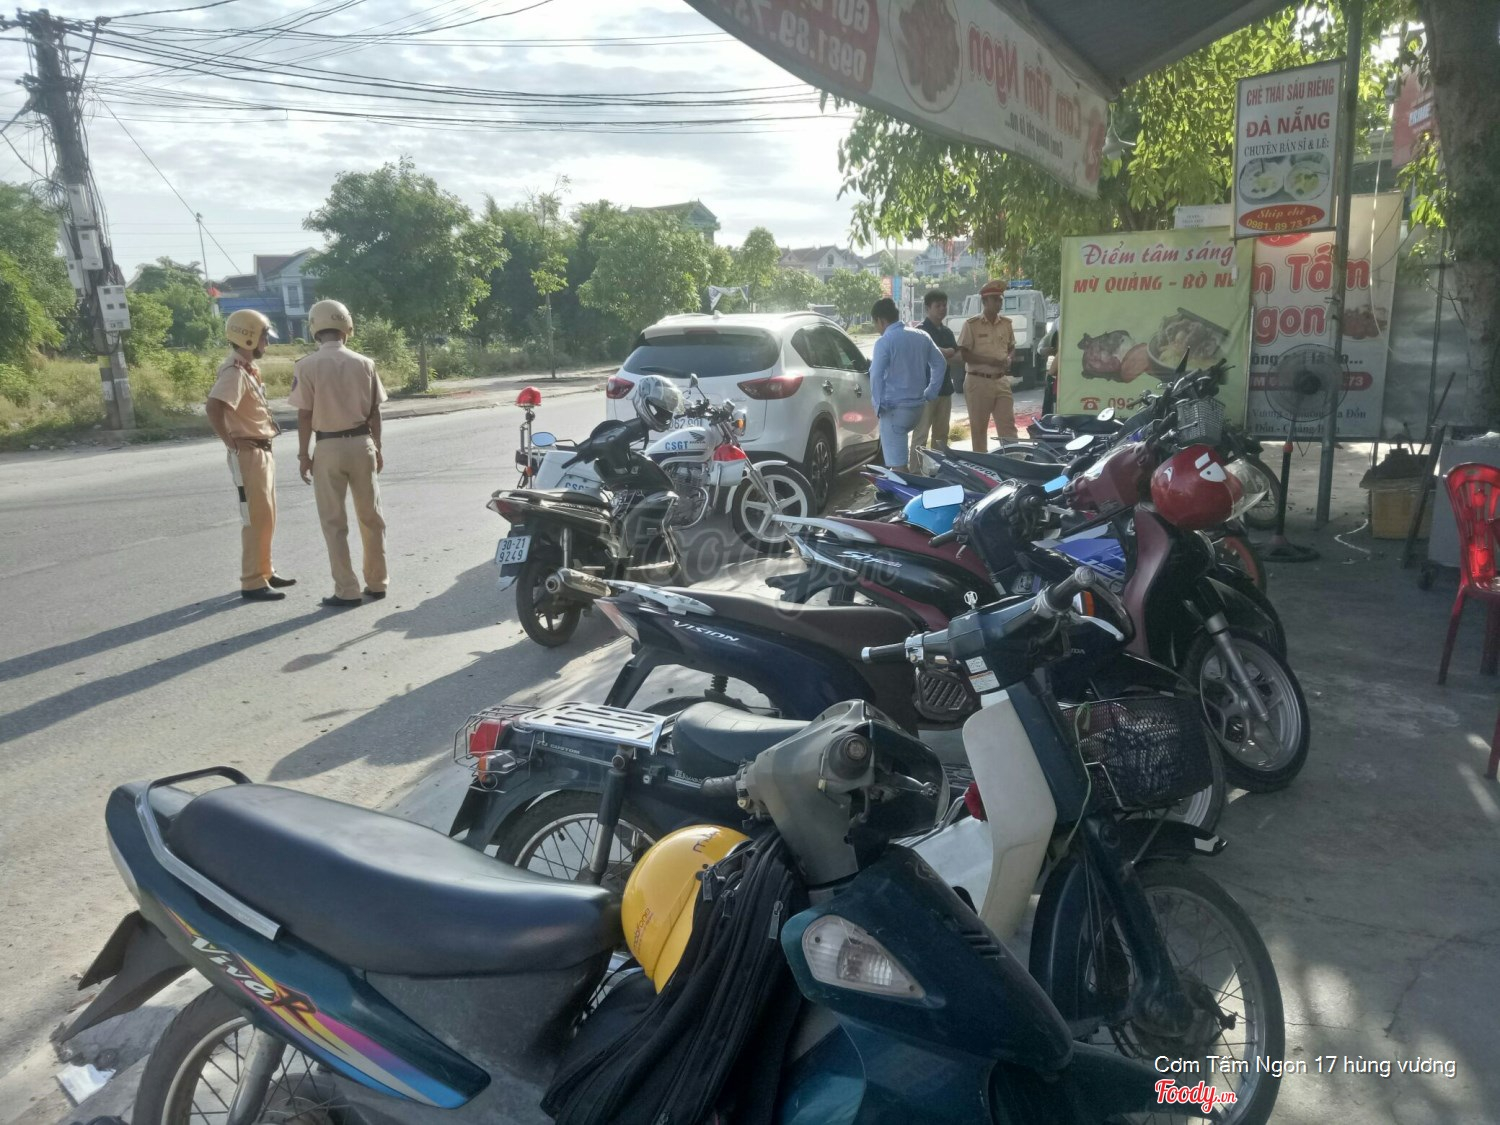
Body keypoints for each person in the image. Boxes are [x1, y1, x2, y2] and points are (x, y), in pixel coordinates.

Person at [288, 299, 389, 609]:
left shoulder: (306, 366)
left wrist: (303, 455)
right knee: (371, 517)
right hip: (362, 444)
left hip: (328, 447)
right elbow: (375, 412)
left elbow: (304, 415)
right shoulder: (365, 363)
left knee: (334, 523)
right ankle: (378, 582)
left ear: (315, 329)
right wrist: (378, 447)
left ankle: (347, 590)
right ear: (347, 327)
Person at [206, 309, 295, 602]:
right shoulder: (234, 371)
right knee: (255, 518)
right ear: (248, 338)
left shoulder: (247, 369)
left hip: (260, 448)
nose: (267, 343)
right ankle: (252, 581)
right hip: (247, 451)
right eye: (264, 337)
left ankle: (265, 571)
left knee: (267, 516)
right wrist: (230, 443)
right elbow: (214, 407)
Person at [867, 296, 945, 470]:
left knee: (898, 467)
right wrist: (930, 392)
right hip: (917, 408)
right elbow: (940, 363)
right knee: (904, 463)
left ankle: (907, 487)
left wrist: (877, 404)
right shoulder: (921, 335)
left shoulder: (884, 341)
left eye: (875, 323)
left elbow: (876, 375)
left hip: (894, 410)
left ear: (880, 320)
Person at [958, 279, 1018, 452]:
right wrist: (988, 361)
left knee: (1008, 426)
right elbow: (964, 354)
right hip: (978, 381)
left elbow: (1012, 347)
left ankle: (1014, 459)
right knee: (979, 429)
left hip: (1001, 380)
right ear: (985, 301)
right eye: (995, 299)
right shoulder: (971, 325)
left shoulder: (1006, 324)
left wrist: (1009, 358)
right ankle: (982, 463)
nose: (999, 303)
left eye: (1000, 299)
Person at [912, 290, 961, 468]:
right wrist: (945, 352)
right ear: (927, 308)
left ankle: (938, 471)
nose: (942, 309)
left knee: (941, 436)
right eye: (937, 305)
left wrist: (940, 354)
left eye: (944, 305)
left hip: (945, 389)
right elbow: (922, 355)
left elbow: (958, 357)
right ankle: (916, 472)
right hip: (924, 391)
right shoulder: (920, 332)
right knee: (921, 435)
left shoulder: (947, 332)